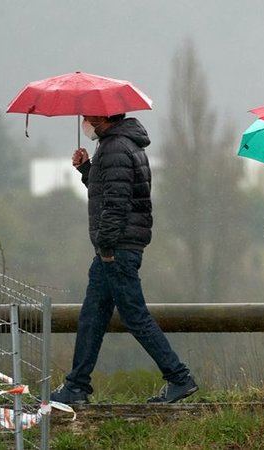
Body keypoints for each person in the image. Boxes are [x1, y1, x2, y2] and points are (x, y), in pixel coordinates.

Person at [51, 114, 197, 405]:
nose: (85, 122)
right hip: (118, 247)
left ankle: (179, 377)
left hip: (115, 249)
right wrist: (86, 169)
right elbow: (109, 189)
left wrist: (105, 246)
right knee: (92, 316)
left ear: (104, 118)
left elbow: (116, 203)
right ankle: (77, 385)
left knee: (134, 315)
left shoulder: (115, 147)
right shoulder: (122, 144)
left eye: (89, 117)